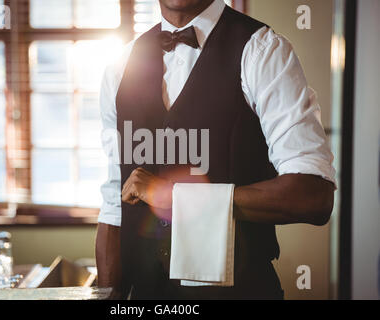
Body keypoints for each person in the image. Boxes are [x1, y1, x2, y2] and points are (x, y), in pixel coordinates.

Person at [96, 0, 336, 300]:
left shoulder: (263, 51)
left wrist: (178, 198)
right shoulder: (119, 67)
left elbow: (313, 195)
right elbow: (113, 206)